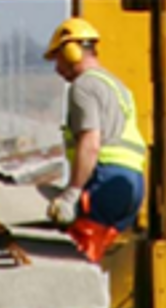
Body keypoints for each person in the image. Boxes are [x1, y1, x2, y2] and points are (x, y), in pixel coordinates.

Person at [40, 17, 148, 265]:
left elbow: (90, 141)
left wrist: (72, 193)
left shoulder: (84, 86)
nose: (57, 68)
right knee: (94, 253)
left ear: (71, 50)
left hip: (105, 178)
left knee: (80, 249)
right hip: (132, 184)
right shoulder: (116, 85)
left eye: (57, 58)